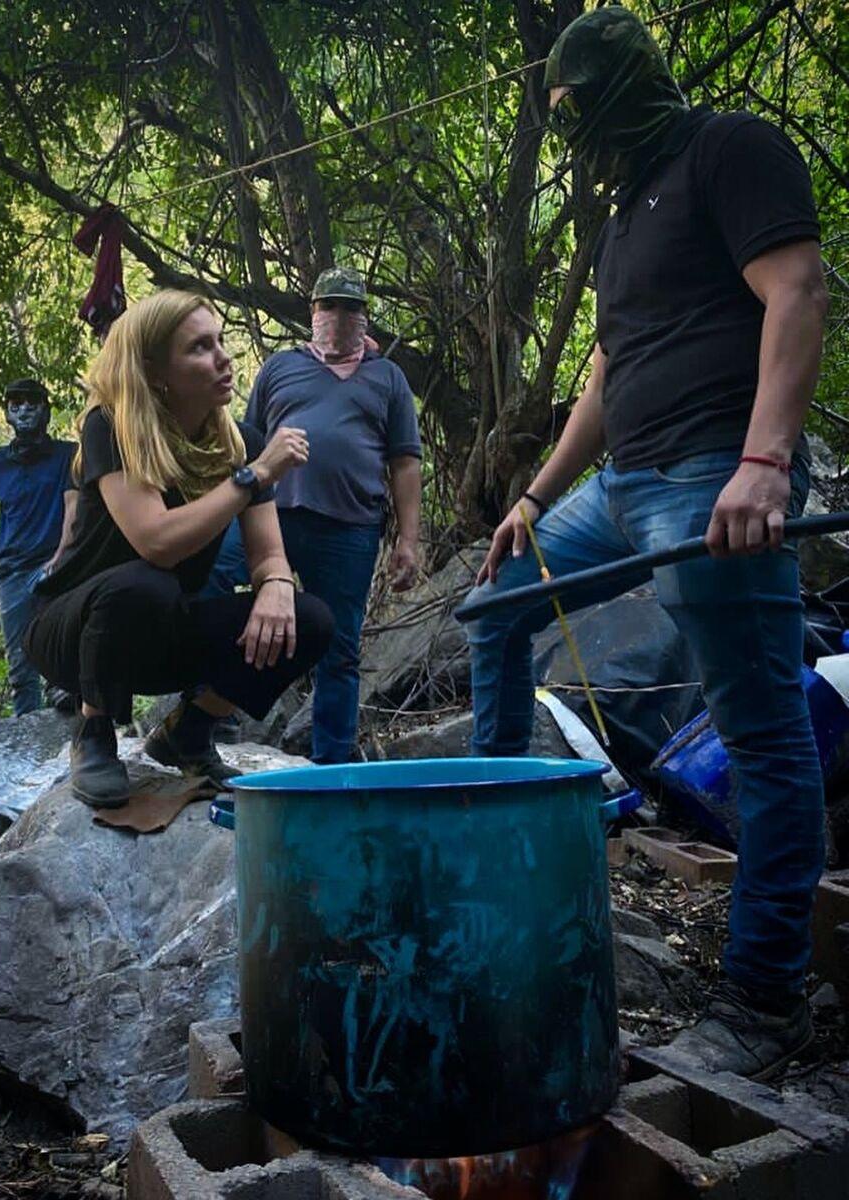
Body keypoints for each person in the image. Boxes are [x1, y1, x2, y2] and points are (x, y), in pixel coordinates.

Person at [463, 6, 828, 1080]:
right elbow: (606, 378)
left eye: (578, 109)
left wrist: (764, 461)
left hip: (714, 475)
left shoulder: (732, 149)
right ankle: (503, 832)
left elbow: (797, 290)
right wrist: (532, 495)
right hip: (621, 485)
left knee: (761, 731)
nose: (572, 134)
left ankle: (764, 1000)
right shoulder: (622, 217)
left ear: (621, 86)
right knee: (492, 605)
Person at [23, 289, 334, 808]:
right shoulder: (113, 427)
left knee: (311, 619)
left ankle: (187, 732)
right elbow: (157, 542)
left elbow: (268, 554)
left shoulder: (240, 441)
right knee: (145, 580)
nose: (223, 358)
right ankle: (93, 733)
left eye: (220, 341)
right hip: (74, 633)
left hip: (162, 624)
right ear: (155, 370)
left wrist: (276, 585)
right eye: (199, 348)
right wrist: (253, 476)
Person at [209, 266, 422, 763]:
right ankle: (208, 718)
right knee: (212, 575)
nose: (338, 316)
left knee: (340, 648)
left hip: (349, 529)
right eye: (329, 306)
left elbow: (405, 463)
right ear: (312, 311)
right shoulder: (280, 367)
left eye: (350, 307)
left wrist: (409, 540)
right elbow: (243, 444)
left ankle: (332, 766)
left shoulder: (387, 378)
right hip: (269, 519)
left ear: (364, 317)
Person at [0, 379, 78, 716]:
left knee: (60, 655)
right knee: (20, 663)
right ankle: (25, 730)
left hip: (54, 564)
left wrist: (63, 553)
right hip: (12, 569)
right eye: (15, 402)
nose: (25, 409)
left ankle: (71, 739)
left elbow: (74, 504)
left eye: (32, 401)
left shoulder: (67, 455)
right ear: (6, 412)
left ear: (46, 409)